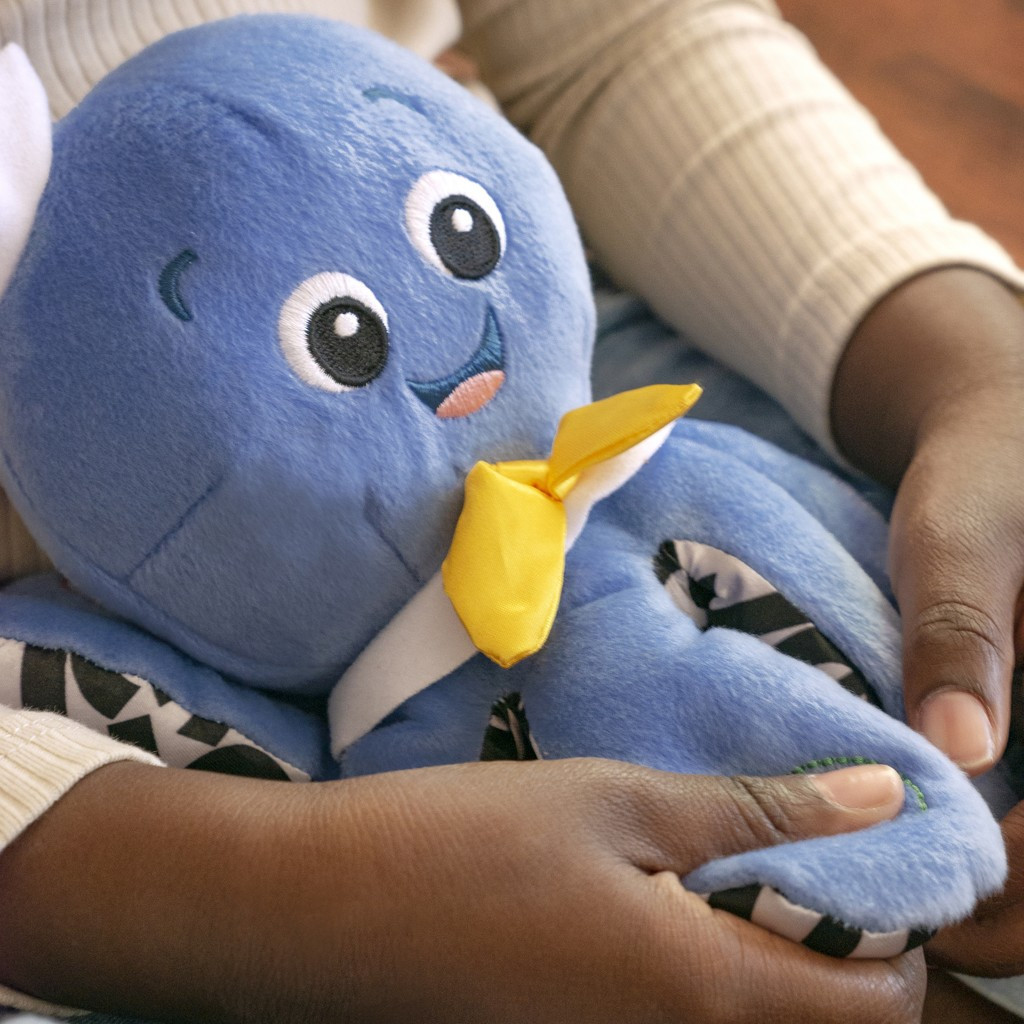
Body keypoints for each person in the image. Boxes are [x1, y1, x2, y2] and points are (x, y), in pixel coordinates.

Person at [0, 0, 1021, 1019]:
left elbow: (616, 39)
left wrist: (977, 376)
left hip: (568, 339)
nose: (449, 348)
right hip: (106, 774)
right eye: (341, 337)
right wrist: (251, 905)